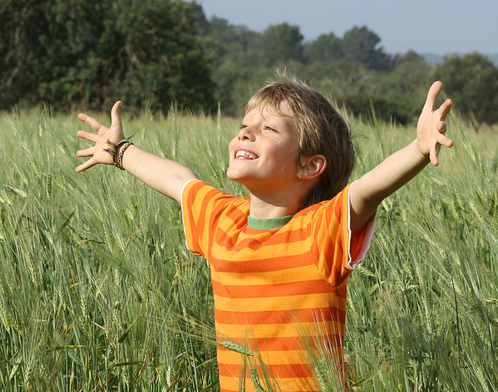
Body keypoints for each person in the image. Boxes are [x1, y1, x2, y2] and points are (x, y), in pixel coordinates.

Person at [75, 73, 453, 392]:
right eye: (243, 128)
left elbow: (367, 190)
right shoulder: (223, 219)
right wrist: (120, 151)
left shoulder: (320, 231)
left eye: (267, 129)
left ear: (310, 165)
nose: (245, 135)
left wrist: (418, 150)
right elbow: (179, 180)